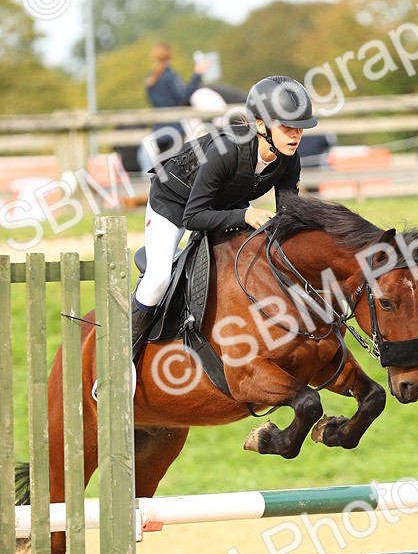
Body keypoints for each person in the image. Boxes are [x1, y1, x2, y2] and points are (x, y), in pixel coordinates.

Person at [131, 75, 317, 355]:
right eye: (287, 127)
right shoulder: (226, 150)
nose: (295, 135)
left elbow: (287, 216)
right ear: (261, 125)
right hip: (174, 202)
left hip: (226, 201)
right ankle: (123, 355)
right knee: (158, 278)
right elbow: (193, 218)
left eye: (300, 129)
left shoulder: (290, 159)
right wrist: (245, 217)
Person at [142, 44, 212, 169]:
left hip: (158, 129)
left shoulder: (150, 78)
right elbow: (183, 97)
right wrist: (197, 74)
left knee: (164, 169)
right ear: (170, 57)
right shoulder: (170, 76)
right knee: (175, 169)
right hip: (174, 129)